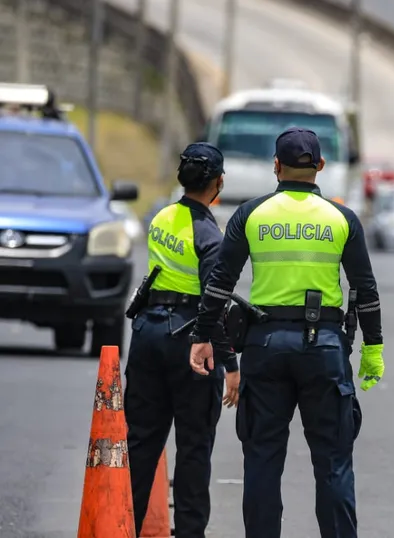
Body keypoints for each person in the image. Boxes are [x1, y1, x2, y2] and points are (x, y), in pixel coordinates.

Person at [187, 127, 385, 538]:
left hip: (265, 347)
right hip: (326, 349)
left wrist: (203, 336)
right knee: (333, 463)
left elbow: (220, 284)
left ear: (276, 166)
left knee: (261, 460)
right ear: (320, 167)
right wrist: (373, 347)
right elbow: (365, 290)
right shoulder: (342, 219)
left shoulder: (251, 214)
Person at [125, 142, 239, 538]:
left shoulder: (161, 217)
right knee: (193, 448)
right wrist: (230, 364)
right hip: (189, 341)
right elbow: (215, 303)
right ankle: (190, 532)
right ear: (218, 183)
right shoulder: (210, 235)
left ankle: (127, 527)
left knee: (140, 444)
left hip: (147, 333)